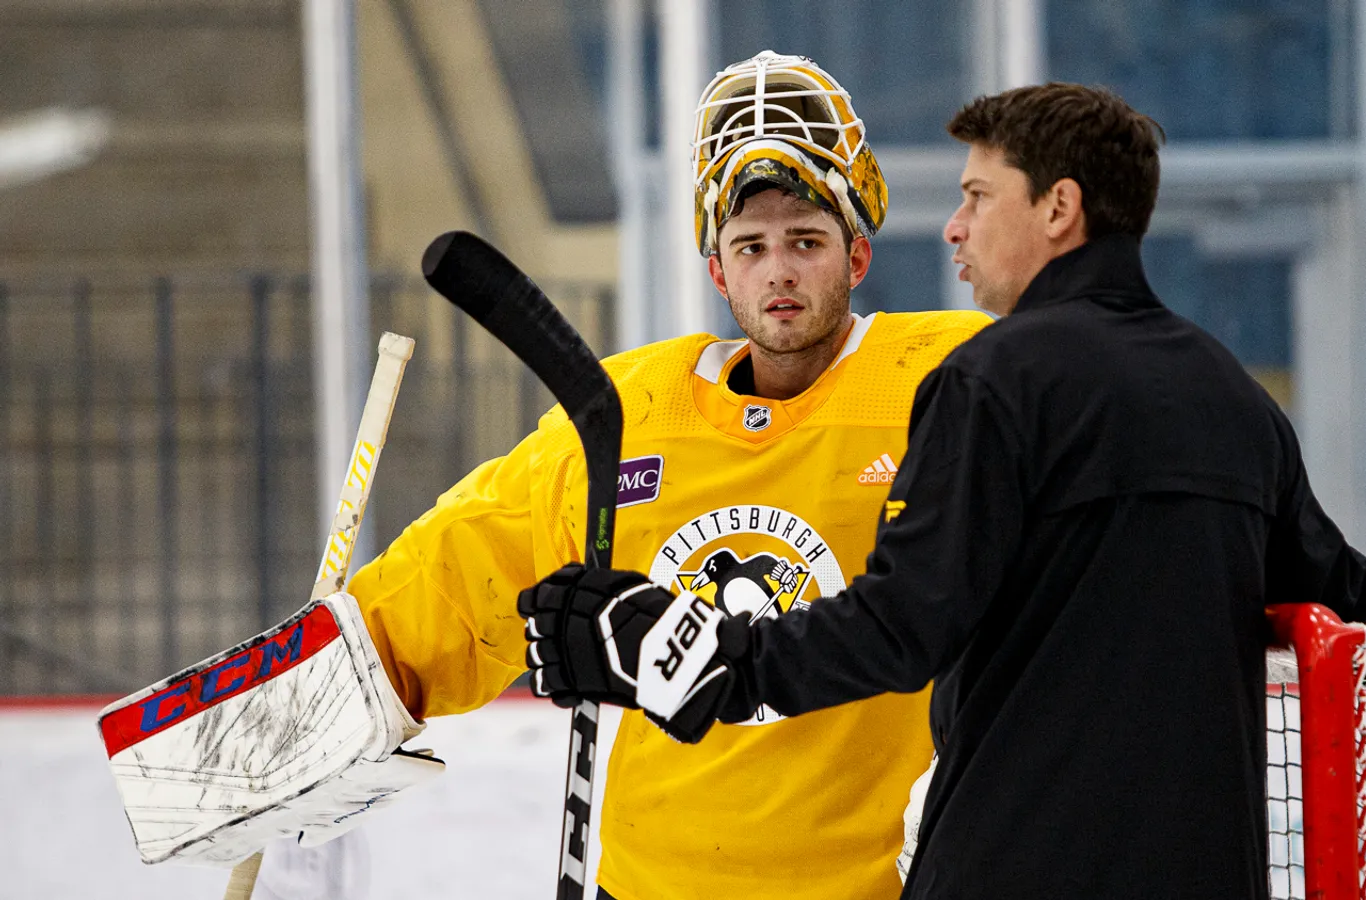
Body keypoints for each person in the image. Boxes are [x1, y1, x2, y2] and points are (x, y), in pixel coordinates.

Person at [521, 83, 1366, 899]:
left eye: (979, 195)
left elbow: (903, 625)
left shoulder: (992, 381)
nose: (955, 224)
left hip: (1009, 867)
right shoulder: (1226, 391)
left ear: (1058, 208)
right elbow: (1340, 589)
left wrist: (710, 659)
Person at [98, 50, 992, 900]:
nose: (781, 271)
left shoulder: (948, 379)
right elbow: (456, 577)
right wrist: (257, 739)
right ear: (718, 269)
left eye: (806, 240)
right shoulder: (631, 410)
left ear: (858, 255)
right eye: (752, 248)